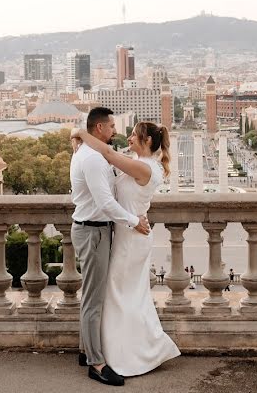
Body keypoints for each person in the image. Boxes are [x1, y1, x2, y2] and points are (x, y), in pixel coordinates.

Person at [72, 119, 180, 379]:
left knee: (121, 296)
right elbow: (104, 159)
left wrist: (79, 133)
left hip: (132, 239)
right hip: (126, 234)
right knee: (120, 296)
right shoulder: (138, 163)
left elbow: (107, 153)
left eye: (133, 135)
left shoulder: (144, 168)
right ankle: (106, 349)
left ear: (148, 142)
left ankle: (125, 353)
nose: (128, 138)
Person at [71, 107, 151, 386]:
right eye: (112, 126)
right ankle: (96, 363)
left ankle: (86, 350)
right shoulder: (92, 159)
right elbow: (105, 203)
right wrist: (134, 222)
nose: (115, 130)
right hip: (93, 233)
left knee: (92, 296)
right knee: (94, 300)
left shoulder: (91, 153)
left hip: (94, 231)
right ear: (100, 129)